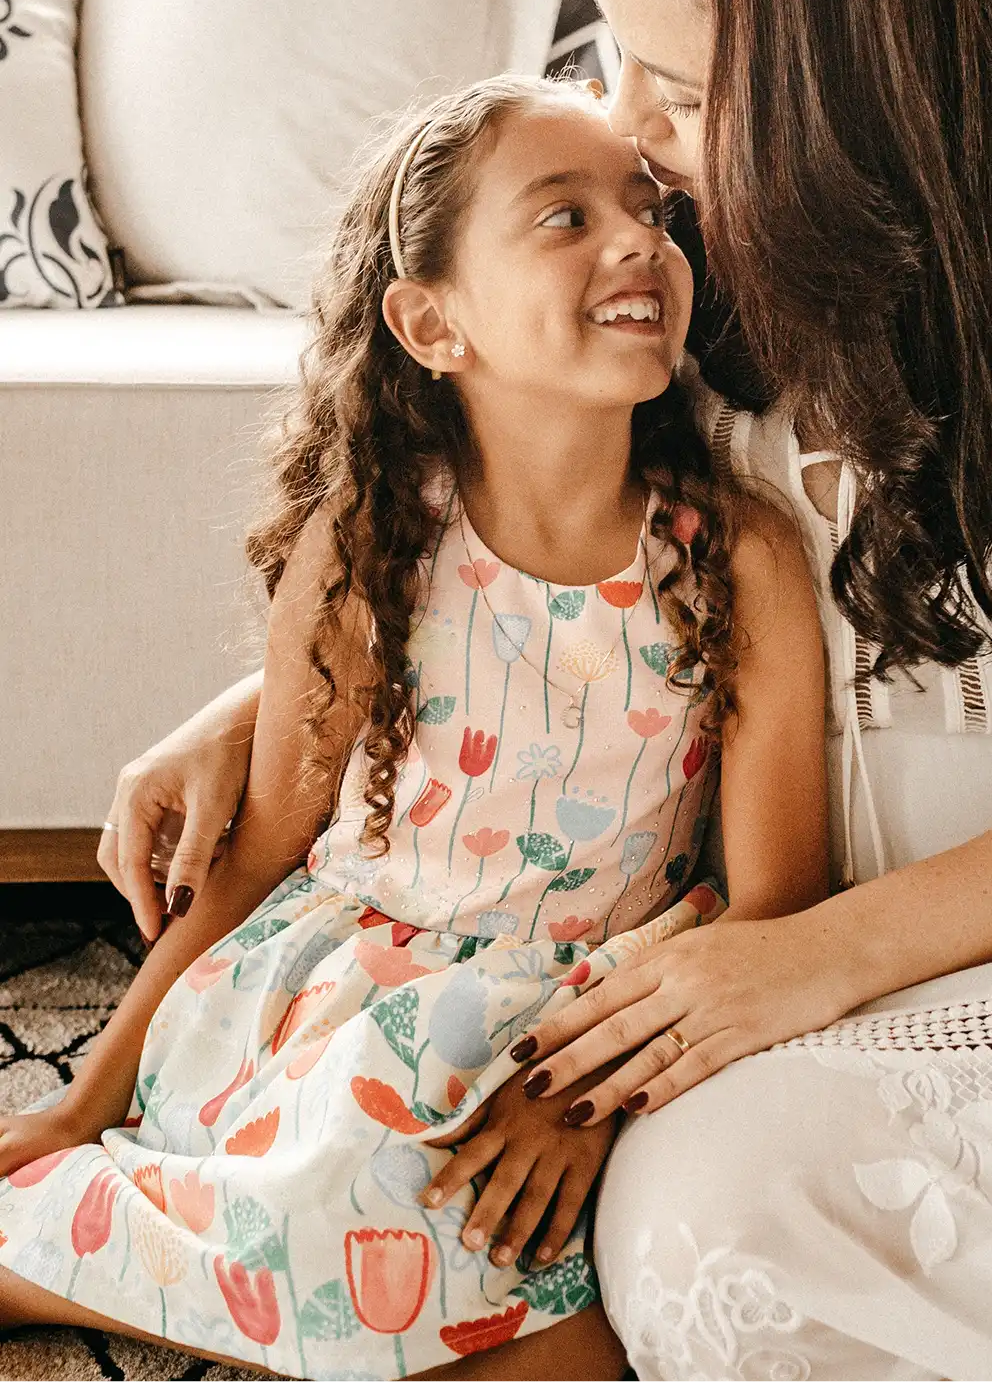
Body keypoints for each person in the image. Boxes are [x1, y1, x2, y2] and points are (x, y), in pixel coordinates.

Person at [82, 0, 992, 1377]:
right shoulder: (707, 255)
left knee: (695, 1222)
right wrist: (273, 707)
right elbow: (513, 519)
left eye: (682, 85)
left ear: (863, 71)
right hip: (762, 945)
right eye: (616, 62)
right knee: (598, 1201)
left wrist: (804, 965)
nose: (631, 131)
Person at [0, 74, 830, 1382]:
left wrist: (586, 1093)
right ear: (433, 322)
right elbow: (261, 850)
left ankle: (143, 1257)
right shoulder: (373, 543)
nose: (637, 242)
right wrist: (79, 1099)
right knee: (363, 1198)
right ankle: (49, 1238)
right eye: (563, 218)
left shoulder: (743, 557)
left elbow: (782, 894)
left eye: (651, 210)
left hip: (600, 1006)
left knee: (579, 1350)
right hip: (361, 1008)